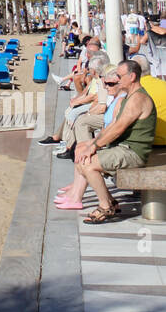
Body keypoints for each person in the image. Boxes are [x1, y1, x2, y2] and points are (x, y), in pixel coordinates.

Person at [66, 60, 156, 223]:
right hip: (123, 147)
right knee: (81, 157)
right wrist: (90, 144)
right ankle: (110, 202)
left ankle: (105, 206)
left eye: (120, 76)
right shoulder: (129, 97)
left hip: (132, 152)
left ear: (132, 76)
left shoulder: (138, 99)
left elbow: (118, 128)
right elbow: (113, 125)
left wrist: (93, 147)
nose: (117, 79)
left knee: (87, 163)